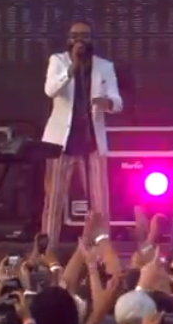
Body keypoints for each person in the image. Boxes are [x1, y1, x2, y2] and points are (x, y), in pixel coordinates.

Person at [41, 21, 124, 245]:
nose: (80, 40)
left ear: (91, 39)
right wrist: (71, 70)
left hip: (92, 143)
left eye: (85, 36)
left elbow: (117, 101)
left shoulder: (104, 66)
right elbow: (50, 90)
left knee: (100, 203)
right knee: (54, 201)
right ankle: (48, 249)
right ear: (68, 39)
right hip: (61, 143)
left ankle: (102, 250)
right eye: (75, 36)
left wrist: (107, 103)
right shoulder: (58, 61)